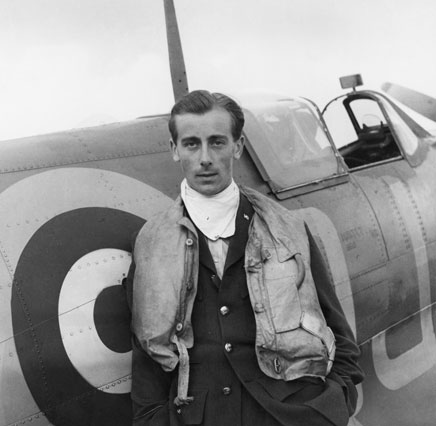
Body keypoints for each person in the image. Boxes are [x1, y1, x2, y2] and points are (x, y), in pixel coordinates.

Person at [125, 90, 364, 426]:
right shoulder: (150, 242)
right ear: (174, 149)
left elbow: (339, 334)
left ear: (237, 146)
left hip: (293, 416)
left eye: (218, 142)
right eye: (192, 143)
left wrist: (334, 403)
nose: (205, 158)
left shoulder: (289, 228)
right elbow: (147, 361)